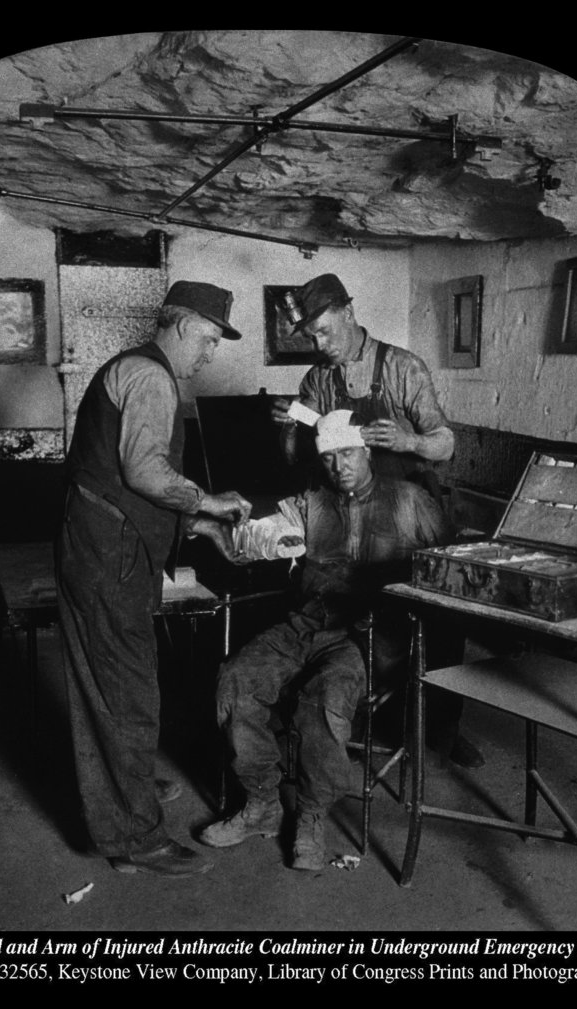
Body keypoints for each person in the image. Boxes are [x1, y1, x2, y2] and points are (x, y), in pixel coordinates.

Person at [198, 410, 452, 870]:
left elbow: (450, 567)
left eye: (348, 453)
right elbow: (260, 536)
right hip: (306, 621)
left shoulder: (411, 501)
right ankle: (261, 804)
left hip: (370, 633)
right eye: (330, 457)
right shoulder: (310, 503)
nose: (340, 466)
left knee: (323, 699)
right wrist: (257, 537)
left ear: (368, 451)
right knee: (236, 681)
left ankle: (312, 815)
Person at [56, 280, 252, 878]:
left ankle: (126, 790)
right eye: (212, 340)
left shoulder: (137, 370)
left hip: (102, 548)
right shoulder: (151, 378)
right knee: (127, 693)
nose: (211, 355)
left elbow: (126, 476)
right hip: (108, 557)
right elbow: (144, 473)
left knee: (111, 687)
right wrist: (213, 503)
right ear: (186, 324)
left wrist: (196, 526)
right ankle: (134, 837)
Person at [270, 273, 483, 769]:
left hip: (409, 507)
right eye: (312, 337)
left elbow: (445, 443)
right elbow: (304, 454)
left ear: (349, 312)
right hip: (351, 510)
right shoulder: (318, 380)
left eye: (325, 331)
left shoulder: (402, 367)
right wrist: (286, 428)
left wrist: (409, 442)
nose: (320, 345)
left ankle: (443, 727)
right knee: (356, 609)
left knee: (437, 614)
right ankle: (362, 717)